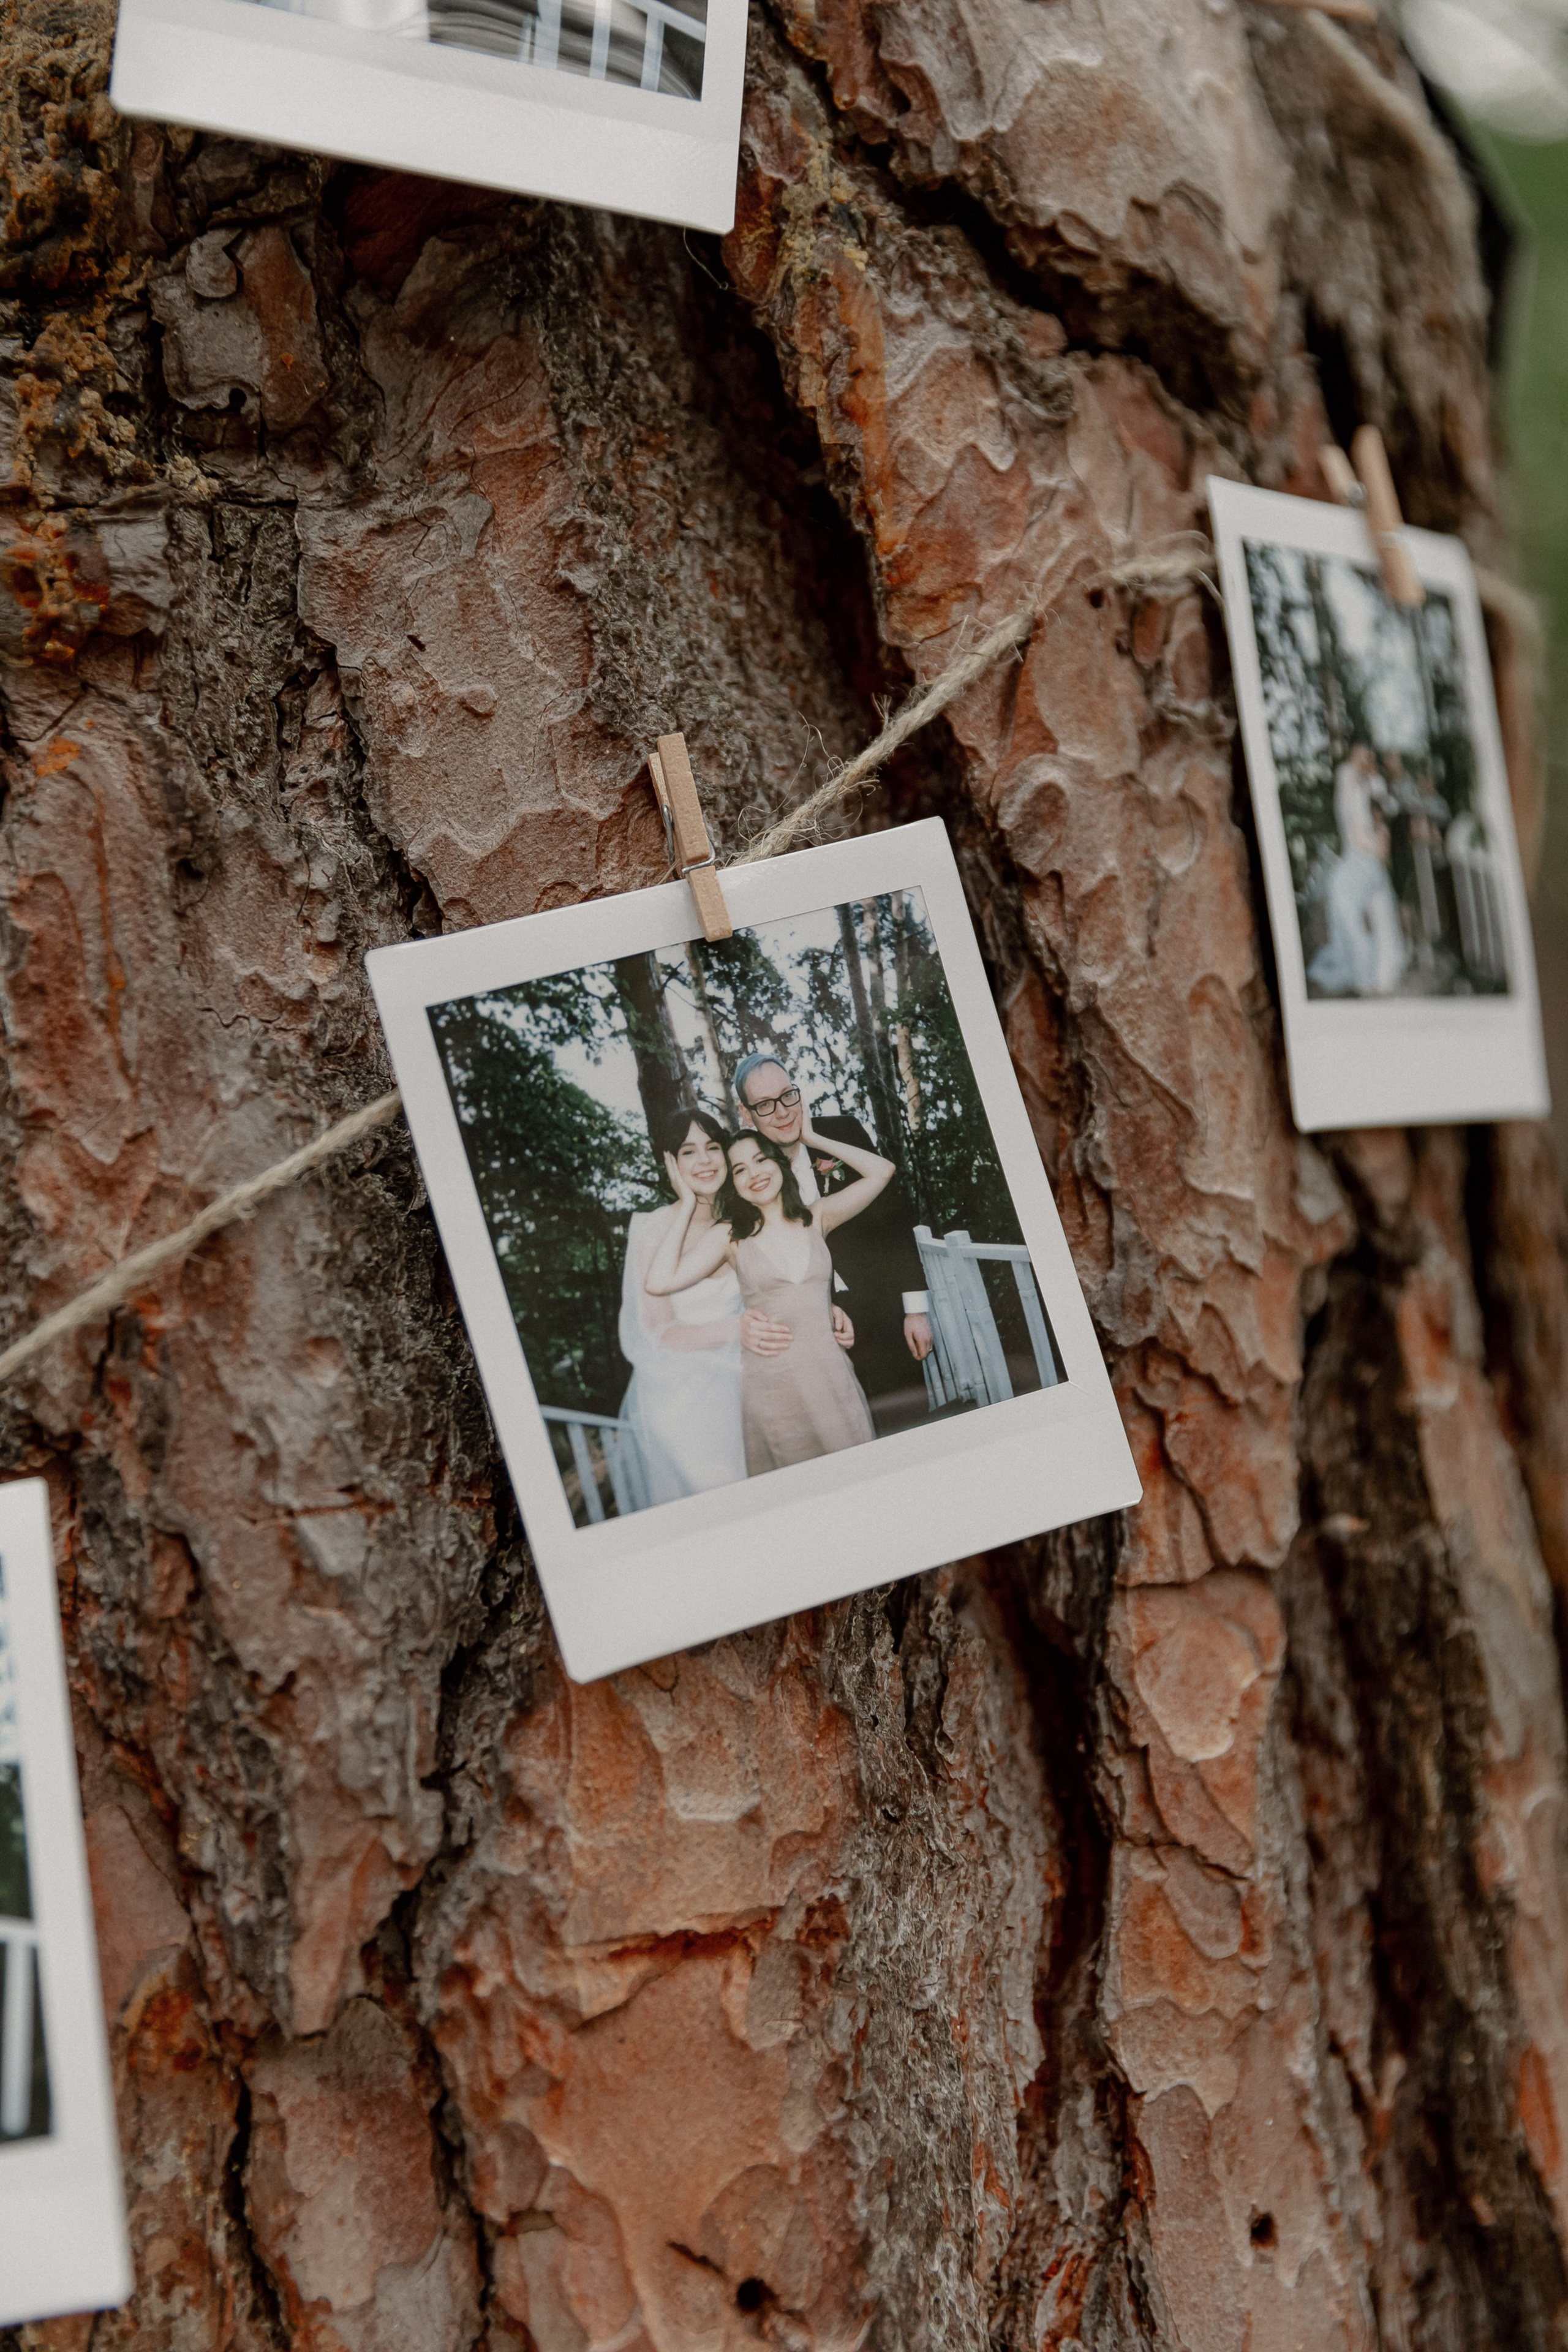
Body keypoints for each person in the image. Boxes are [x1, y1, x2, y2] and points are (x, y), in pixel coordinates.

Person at [645, 1109, 895, 1475]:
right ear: (733, 1183)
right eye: (740, 1169)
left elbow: (882, 1171)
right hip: (773, 1394)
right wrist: (686, 1203)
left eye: (761, 1160)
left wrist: (808, 1139)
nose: (755, 1173)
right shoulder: (731, 1236)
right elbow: (659, 1282)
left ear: (781, 1164)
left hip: (832, 1382)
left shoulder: (818, 1217)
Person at [729, 1052, 933, 1411]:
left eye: (787, 1095)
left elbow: (894, 1217)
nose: (782, 1112)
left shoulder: (842, 1133)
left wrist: (915, 1309)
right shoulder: (750, 1173)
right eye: (764, 1105)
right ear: (745, 1113)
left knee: (911, 1421)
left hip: (884, 1315)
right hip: (812, 1335)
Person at [617, 1110, 748, 1505]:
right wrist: (738, 1329)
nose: (705, 1161)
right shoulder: (652, 1229)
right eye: (689, 1152)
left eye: (713, 1148)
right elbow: (658, 1332)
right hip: (688, 1398)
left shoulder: (743, 1216)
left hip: (753, 1374)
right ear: (670, 1162)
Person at [1307, 742, 1408, 997]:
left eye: (1371, 755)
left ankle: (1382, 975)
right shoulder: (1347, 775)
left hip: (1371, 855)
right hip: (1360, 852)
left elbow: (1389, 809)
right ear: (1354, 754)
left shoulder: (1373, 782)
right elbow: (1351, 823)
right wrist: (1370, 845)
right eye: (1364, 754)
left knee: (1380, 912)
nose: (1368, 758)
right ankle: (1365, 971)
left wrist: (1380, 838)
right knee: (1345, 903)